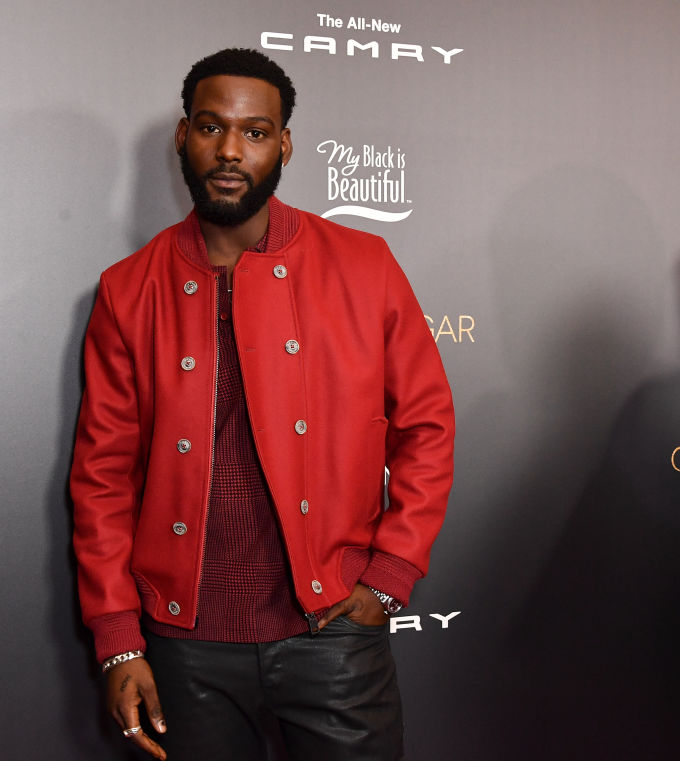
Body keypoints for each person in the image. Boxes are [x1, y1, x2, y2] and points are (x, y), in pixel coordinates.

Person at [70, 48, 454, 761]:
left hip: (332, 628)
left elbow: (426, 426)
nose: (230, 150)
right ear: (183, 136)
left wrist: (390, 576)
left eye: (254, 132)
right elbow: (103, 478)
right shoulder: (129, 288)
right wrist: (119, 638)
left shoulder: (363, 265)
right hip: (184, 642)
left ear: (284, 145)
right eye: (211, 127)